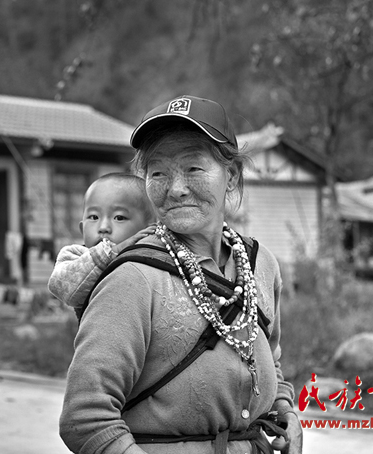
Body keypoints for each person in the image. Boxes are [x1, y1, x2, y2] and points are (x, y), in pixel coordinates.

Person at [59, 95, 302, 454]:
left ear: (231, 177)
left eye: (193, 168)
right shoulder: (133, 278)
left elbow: (268, 358)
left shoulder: (260, 264)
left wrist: (285, 410)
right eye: (158, 173)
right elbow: (85, 417)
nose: (175, 189)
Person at [48, 173, 156, 314]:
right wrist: (110, 252)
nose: (103, 227)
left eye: (119, 217)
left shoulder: (154, 259)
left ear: (148, 229)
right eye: (94, 217)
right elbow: (63, 287)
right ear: (82, 228)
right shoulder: (75, 255)